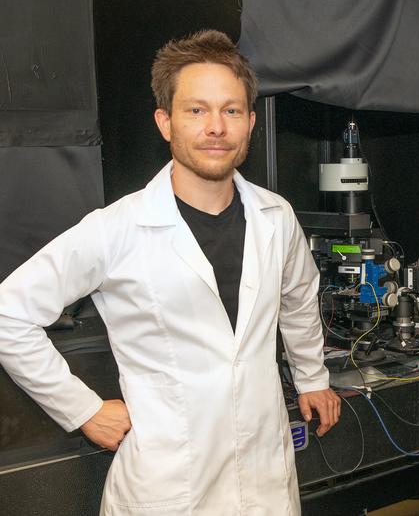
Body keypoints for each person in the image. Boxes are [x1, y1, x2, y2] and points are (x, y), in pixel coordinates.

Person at [0, 29, 340, 515]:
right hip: (169, 488)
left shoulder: (276, 216)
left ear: (249, 123)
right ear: (165, 122)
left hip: (264, 480)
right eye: (196, 110)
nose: (216, 127)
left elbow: (299, 298)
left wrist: (312, 376)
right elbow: (9, 315)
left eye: (231, 110)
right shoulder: (117, 229)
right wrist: (84, 410)